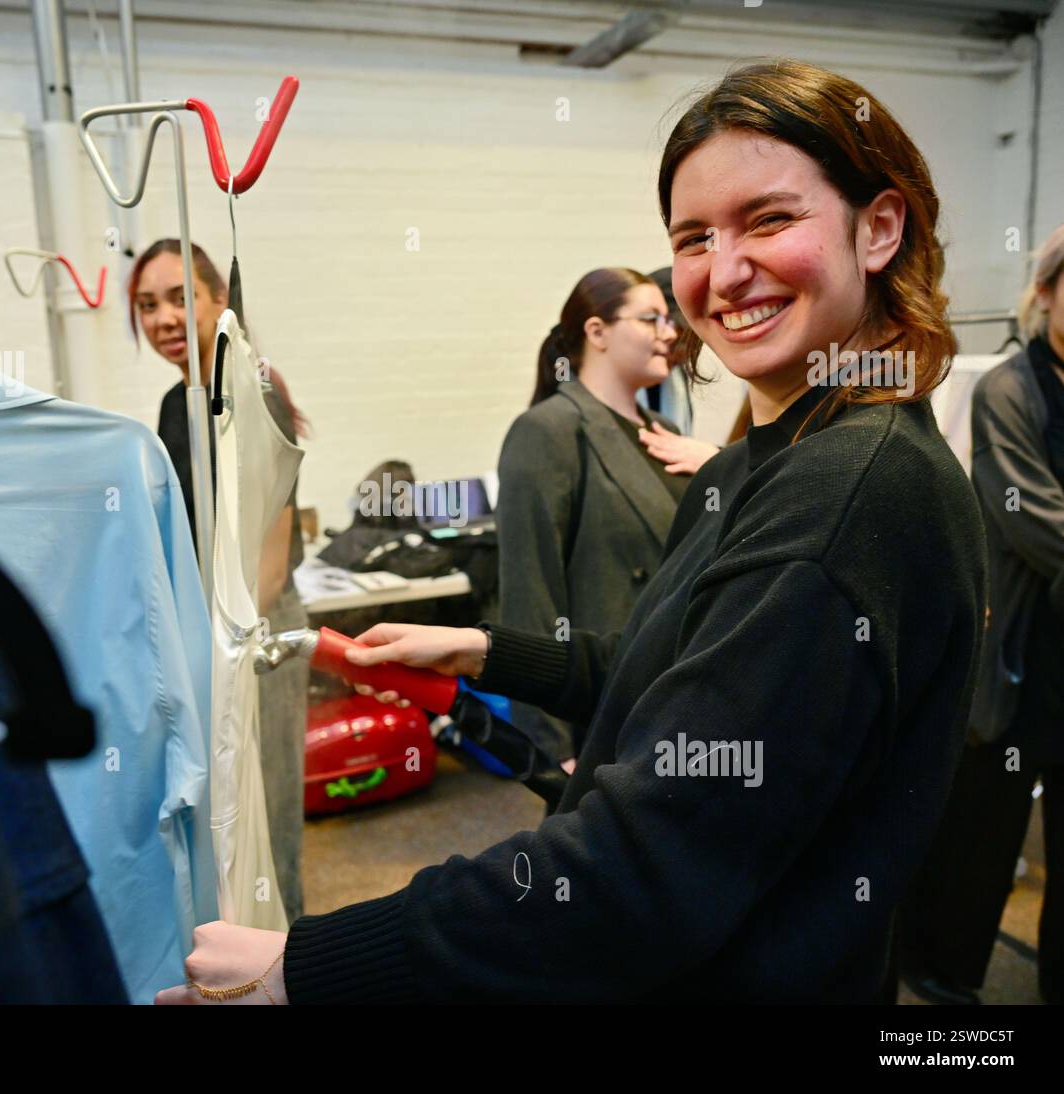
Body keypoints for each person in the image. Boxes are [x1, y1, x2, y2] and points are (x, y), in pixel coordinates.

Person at [157, 58, 986, 1005]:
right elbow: (661, 667)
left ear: (878, 227)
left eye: (769, 219)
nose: (723, 271)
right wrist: (483, 650)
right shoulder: (770, 457)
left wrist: (308, 966)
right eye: (693, 238)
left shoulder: (848, 491)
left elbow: (643, 868)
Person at [899, 222, 1064, 1006]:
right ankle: (944, 972)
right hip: (1022, 656)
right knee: (984, 831)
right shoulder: (1008, 387)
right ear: (1044, 292)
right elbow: (1029, 516)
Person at [130, 239, 310, 924]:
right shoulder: (176, 402)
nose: (164, 318)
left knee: (267, 823)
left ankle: (287, 970)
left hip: (254, 631)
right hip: (204, 633)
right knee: (222, 826)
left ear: (218, 300)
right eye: (148, 305)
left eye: (180, 297)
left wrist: (228, 647)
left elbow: (270, 549)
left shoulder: (253, 386)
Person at [495, 268, 686, 767]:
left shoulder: (664, 431)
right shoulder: (548, 431)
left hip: (671, 692)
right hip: (598, 711)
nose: (669, 333)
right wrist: (550, 748)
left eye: (668, 320)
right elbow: (529, 596)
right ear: (597, 333)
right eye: (651, 319)